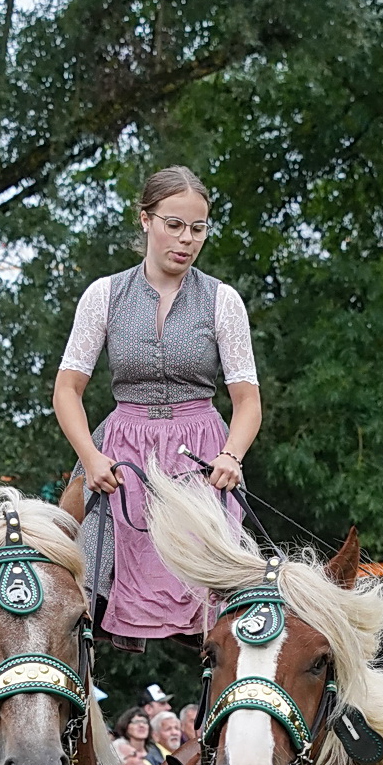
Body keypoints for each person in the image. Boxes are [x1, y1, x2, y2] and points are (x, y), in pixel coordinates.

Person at [53, 165, 261, 648]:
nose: (187, 239)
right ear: (146, 220)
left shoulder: (222, 300)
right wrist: (91, 458)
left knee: (223, 609)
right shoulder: (104, 295)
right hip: (118, 456)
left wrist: (231, 456)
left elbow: (247, 401)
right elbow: (66, 390)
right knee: (75, 587)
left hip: (201, 456)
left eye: (198, 229)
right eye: (175, 225)